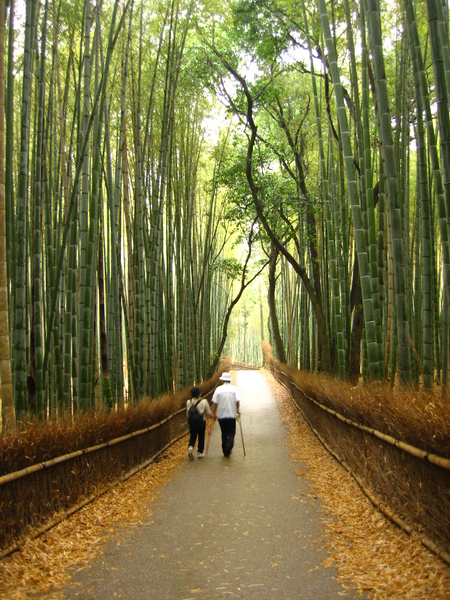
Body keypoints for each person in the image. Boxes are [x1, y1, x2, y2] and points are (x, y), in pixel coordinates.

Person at [211, 372, 241, 457]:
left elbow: (215, 403)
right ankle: (228, 446)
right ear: (229, 380)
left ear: (222, 380)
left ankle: (225, 450)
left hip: (221, 415)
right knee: (232, 432)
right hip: (231, 414)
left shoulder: (218, 389)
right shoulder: (234, 389)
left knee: (224, 432)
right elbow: (237, 401)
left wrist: (214, 413)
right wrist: (237, 410)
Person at [186, 386, 211, 460]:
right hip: (201, 421)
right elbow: (208, 412)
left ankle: (191, 447)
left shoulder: (188, 402)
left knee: (193, 436)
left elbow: (188, 413)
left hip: (192, 422)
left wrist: (188, 421)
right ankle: (200, 452)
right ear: (199, 394)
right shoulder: (204, 401)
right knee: (201, 436)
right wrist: (212, 416)